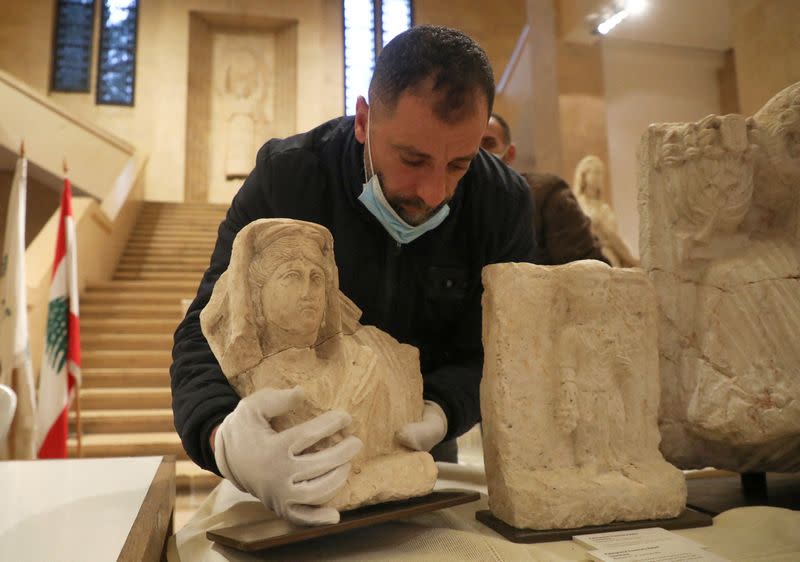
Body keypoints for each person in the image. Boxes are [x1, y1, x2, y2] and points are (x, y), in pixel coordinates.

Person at [171, 26, 536, 526]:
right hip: (287, 449)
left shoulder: (502, 204)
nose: (434, 192)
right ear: (364, 121)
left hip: (413, 439)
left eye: (459, 164)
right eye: (413, 159)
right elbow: (209, 326)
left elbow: (499, 349)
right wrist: (226, 439)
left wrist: (443, 409)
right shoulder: (290, 176)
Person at [480, 113, 607, 265]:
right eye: (471, 143)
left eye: (488, 143)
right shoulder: (451, 205)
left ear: (509, 153)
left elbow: (590, 270)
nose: (478, 153)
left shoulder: (546, 194)